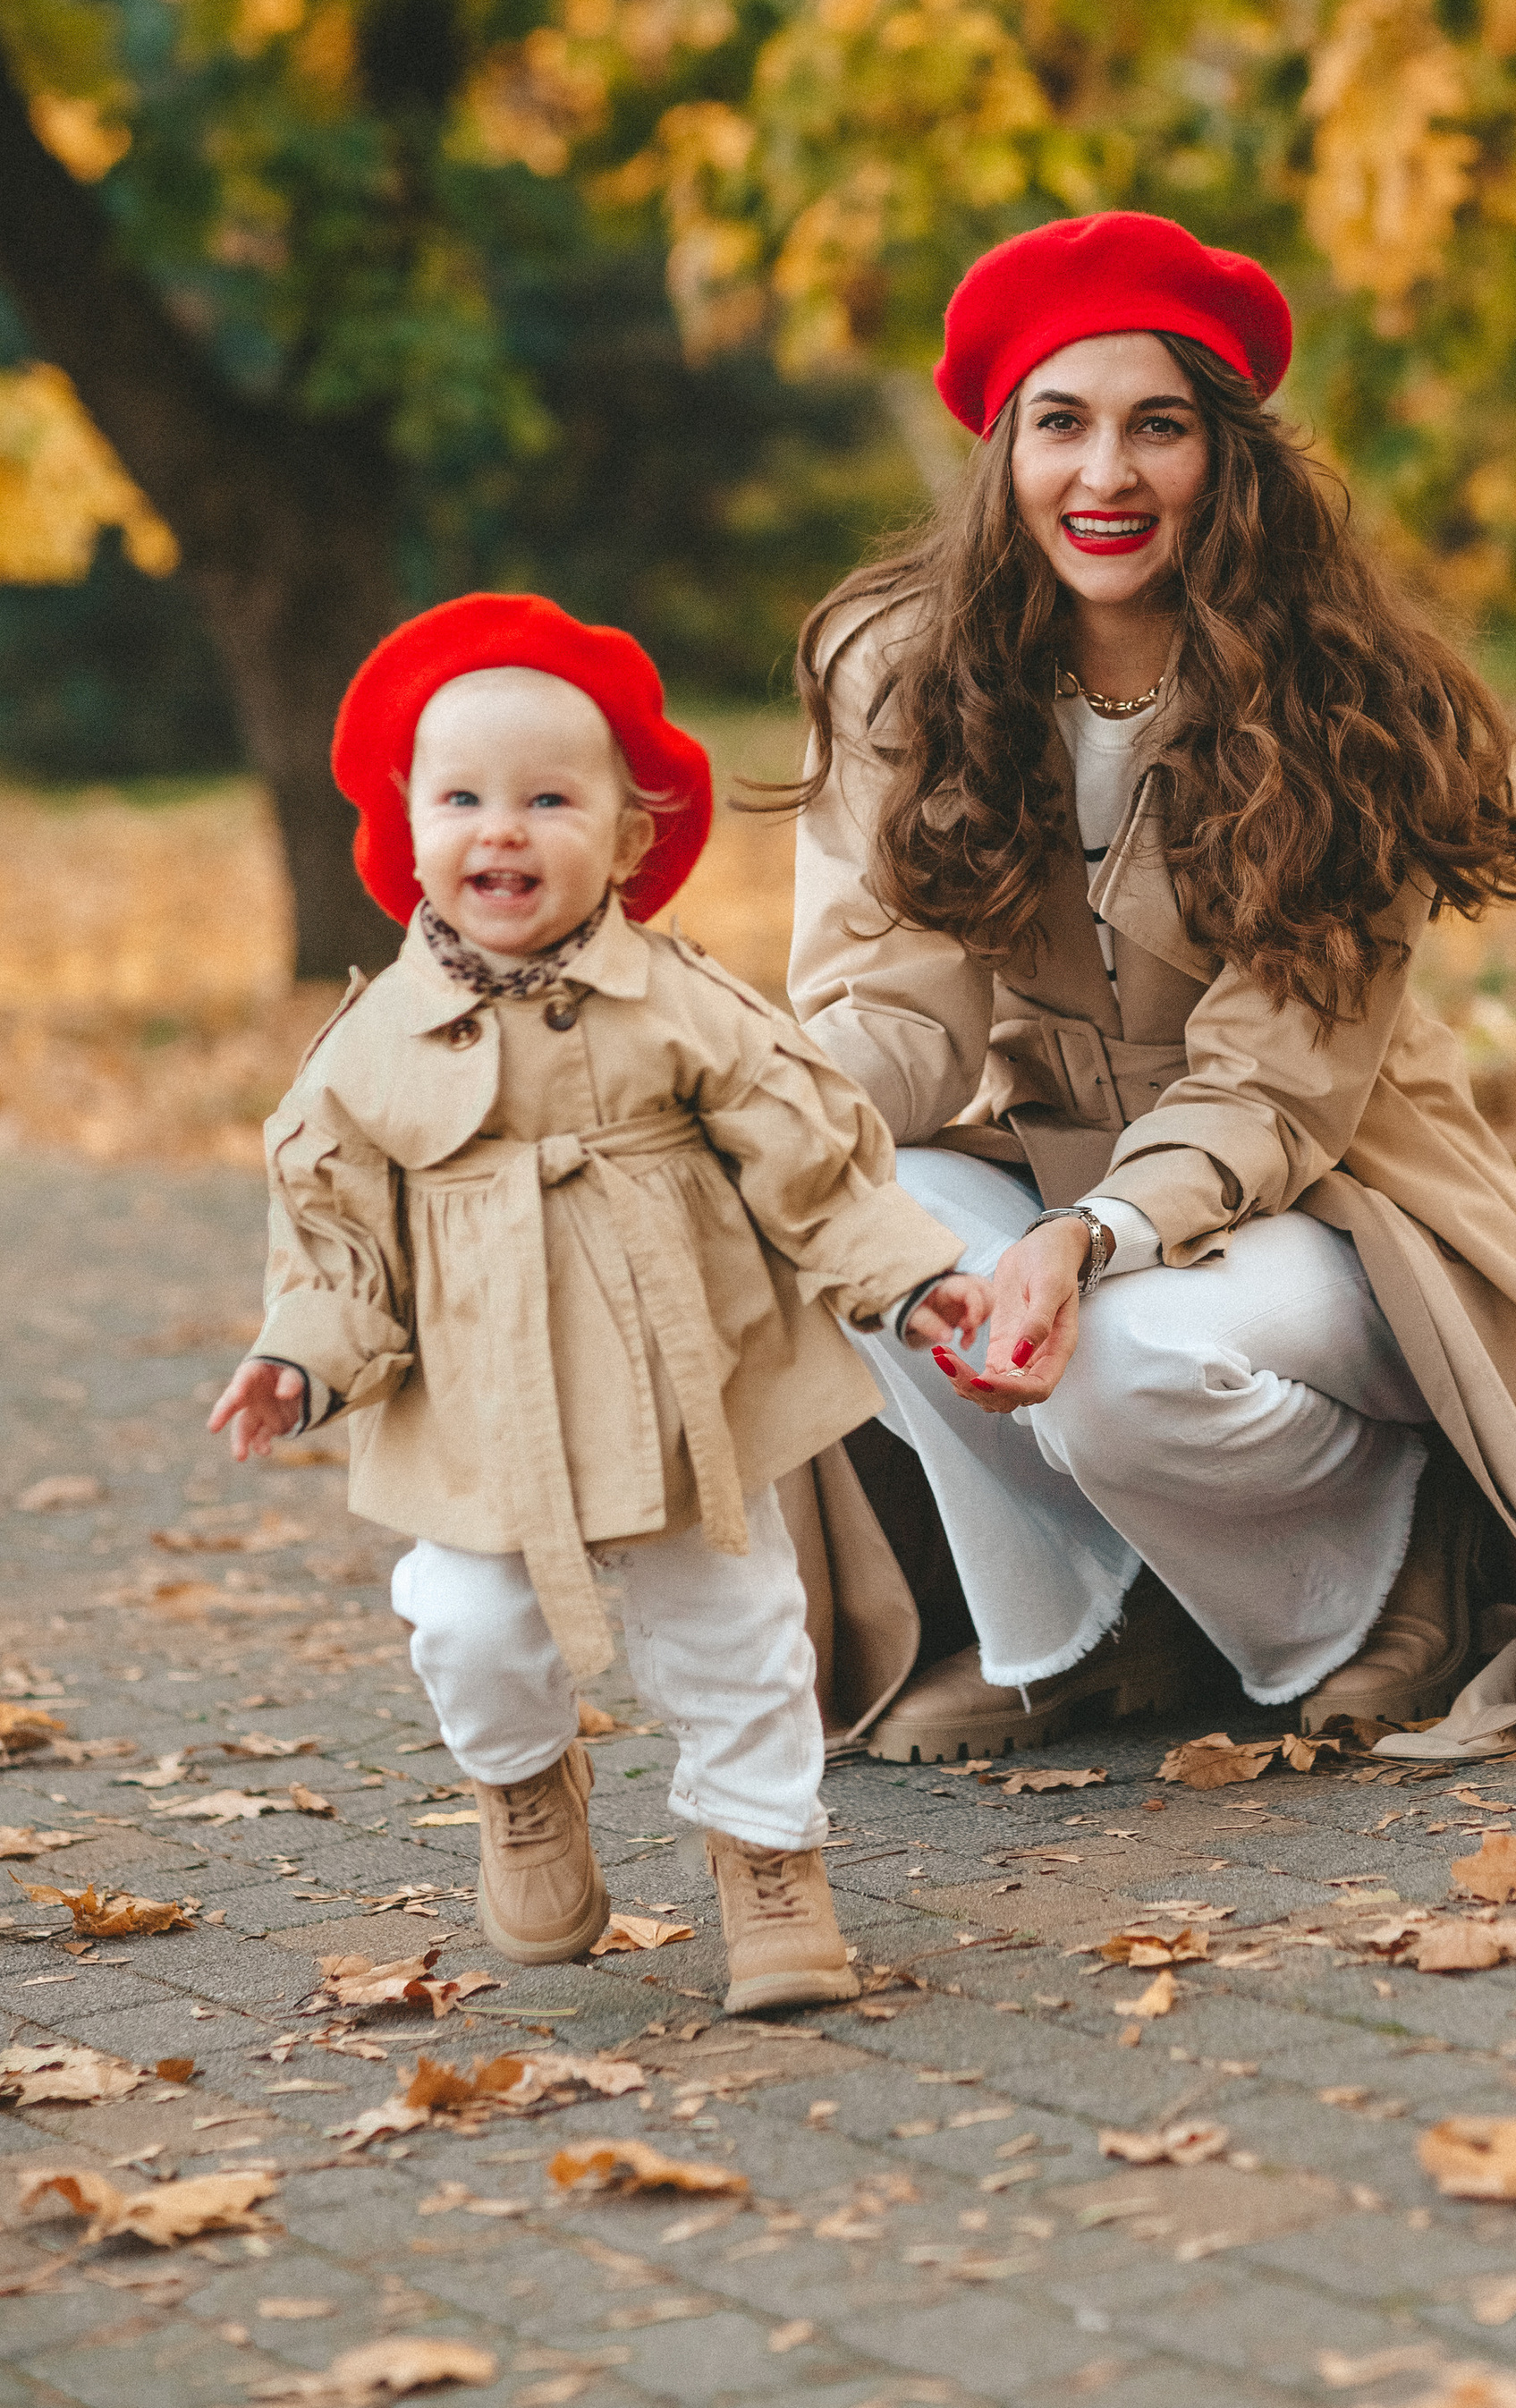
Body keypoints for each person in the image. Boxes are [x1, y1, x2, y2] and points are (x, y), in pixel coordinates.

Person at [783, 211, 1516, 1768]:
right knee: (842, 1213)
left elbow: (1273, 1082)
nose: (1106, 475)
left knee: (1121, 1367)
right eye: (1060, 425)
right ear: (1003, 454)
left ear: (1231, 453)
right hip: (1056, 1158)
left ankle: (1369, 1593)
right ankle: (1080, 1629)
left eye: (1160, 427)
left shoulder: (1346, 694)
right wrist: (744, 1122)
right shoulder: (901, 673)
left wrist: (1085, 1238)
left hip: (1337, 1207)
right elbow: (899, 1011)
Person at [206, 594, 987, 2010]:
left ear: (629, 837)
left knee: (734, 1625)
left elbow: (813, 1161)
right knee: (465, 1617)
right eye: (463, 798)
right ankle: (521, 1782)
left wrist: (912, 1272)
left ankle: (768, 1862)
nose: (501, 830)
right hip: (479, 1399)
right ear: (407, 831)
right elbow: (336, 1243)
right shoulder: (370, 1051)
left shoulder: (684, 1009)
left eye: (548, 799)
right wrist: (299, 1356)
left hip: (683, 1380)